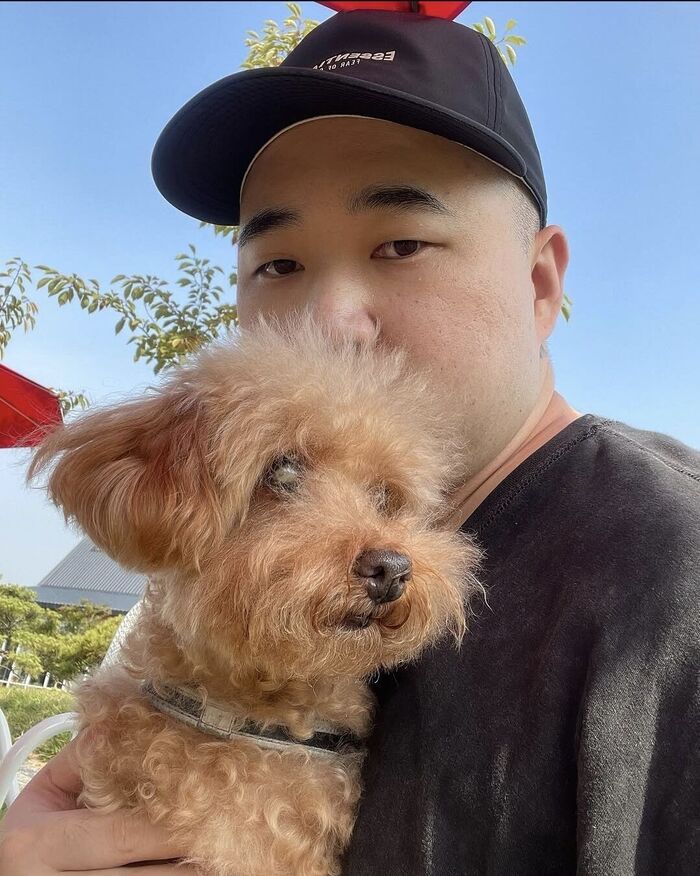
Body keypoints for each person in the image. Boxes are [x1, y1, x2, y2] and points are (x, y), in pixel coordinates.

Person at [2, 7, 697, 875]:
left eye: (401, 244)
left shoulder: (671, 576)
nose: (330, 319)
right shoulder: (203, 599)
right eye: (278, 264)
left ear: (539, 283)